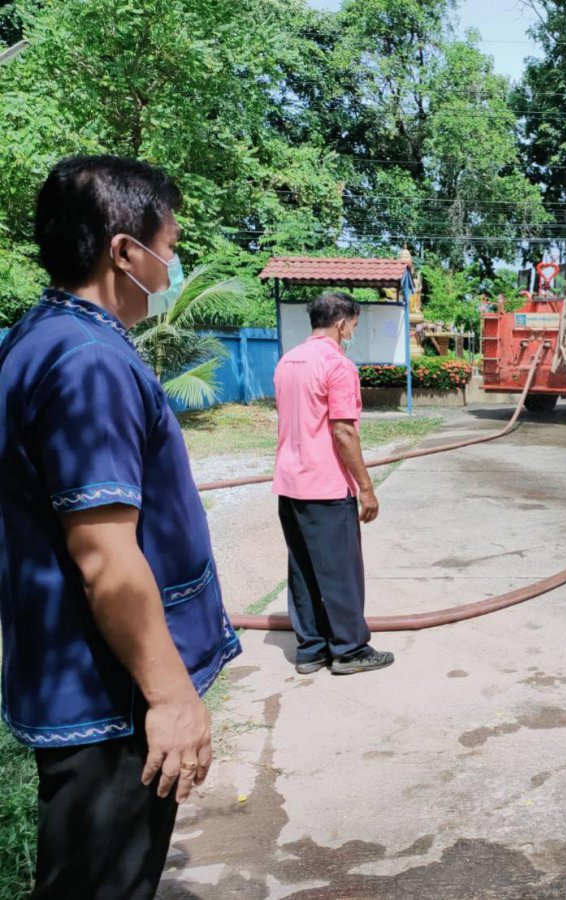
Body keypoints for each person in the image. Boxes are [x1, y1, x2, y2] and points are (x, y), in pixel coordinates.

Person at [0, 155, 242, 899]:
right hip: (111, 700)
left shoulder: (37, 336)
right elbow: (106, 557)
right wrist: (171, 699)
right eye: (167, 248)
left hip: (83, 677)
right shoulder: (90, 362)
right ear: (123, 252)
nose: (171, 267)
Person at [273, 292, 394, 676]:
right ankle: (350, 649)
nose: (352, 332)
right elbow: (343, 431)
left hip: (289, 484)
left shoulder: (288, 360)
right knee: (340, 571)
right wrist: (366, 487)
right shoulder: (337, 365)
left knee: (304, 569)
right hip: (325, 486)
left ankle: (310, 649)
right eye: (353, 326)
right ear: (342, 323)